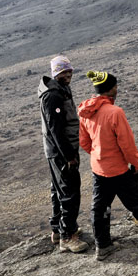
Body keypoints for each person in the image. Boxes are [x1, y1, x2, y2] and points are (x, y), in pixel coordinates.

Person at [77, 70, 138, 260]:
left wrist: (100, 155)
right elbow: (127, 145)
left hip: (99, 170)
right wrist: (137, 166)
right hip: (120, 171)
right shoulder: (115, 112)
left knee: (99, 208)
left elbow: (84, 142)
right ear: (112, 88)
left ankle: (103, 246)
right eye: (116, 86)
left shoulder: (85, 111)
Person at [38, 55, 89, 253]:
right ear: (56, 73)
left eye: (69, 71)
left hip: (57, 150)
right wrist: (69, 156)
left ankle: (59, 230)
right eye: (63, 72)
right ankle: (68, 236)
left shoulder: (60, 90)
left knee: (58, 190)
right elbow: (56, 129)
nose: (68, 75)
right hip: (61, 152)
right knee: (69, 191)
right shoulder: (53, 96)